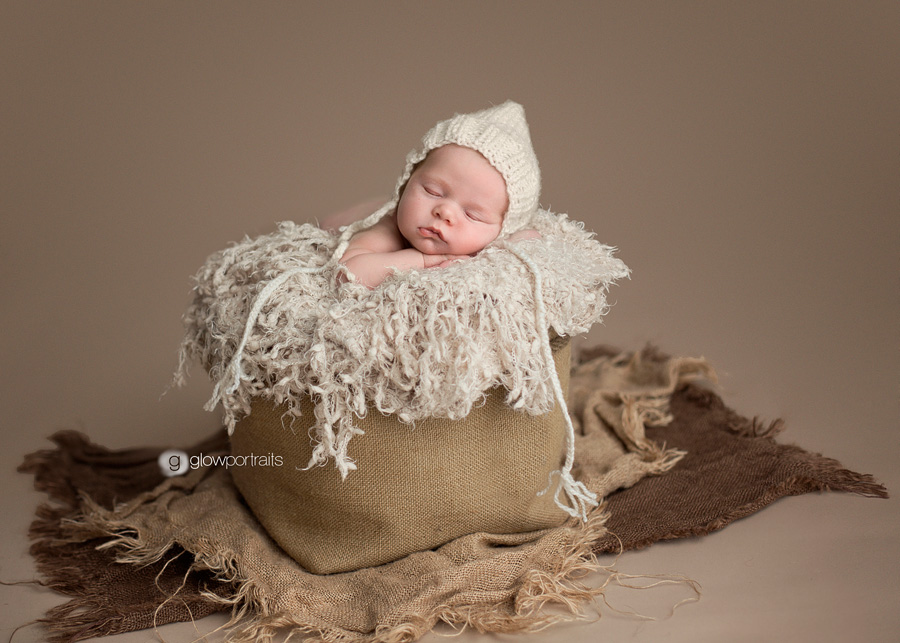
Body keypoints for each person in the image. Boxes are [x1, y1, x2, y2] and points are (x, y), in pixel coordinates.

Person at [320, 101, 542, 288]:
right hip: (358, 214)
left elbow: (530, 239)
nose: (444, 211)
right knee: (339, 220)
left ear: (502, 229)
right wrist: (424, 261)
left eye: (472, 214)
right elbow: (347, 272)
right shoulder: (390, 228)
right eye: (432, 191)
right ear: (408, 179)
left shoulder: (491, 244)